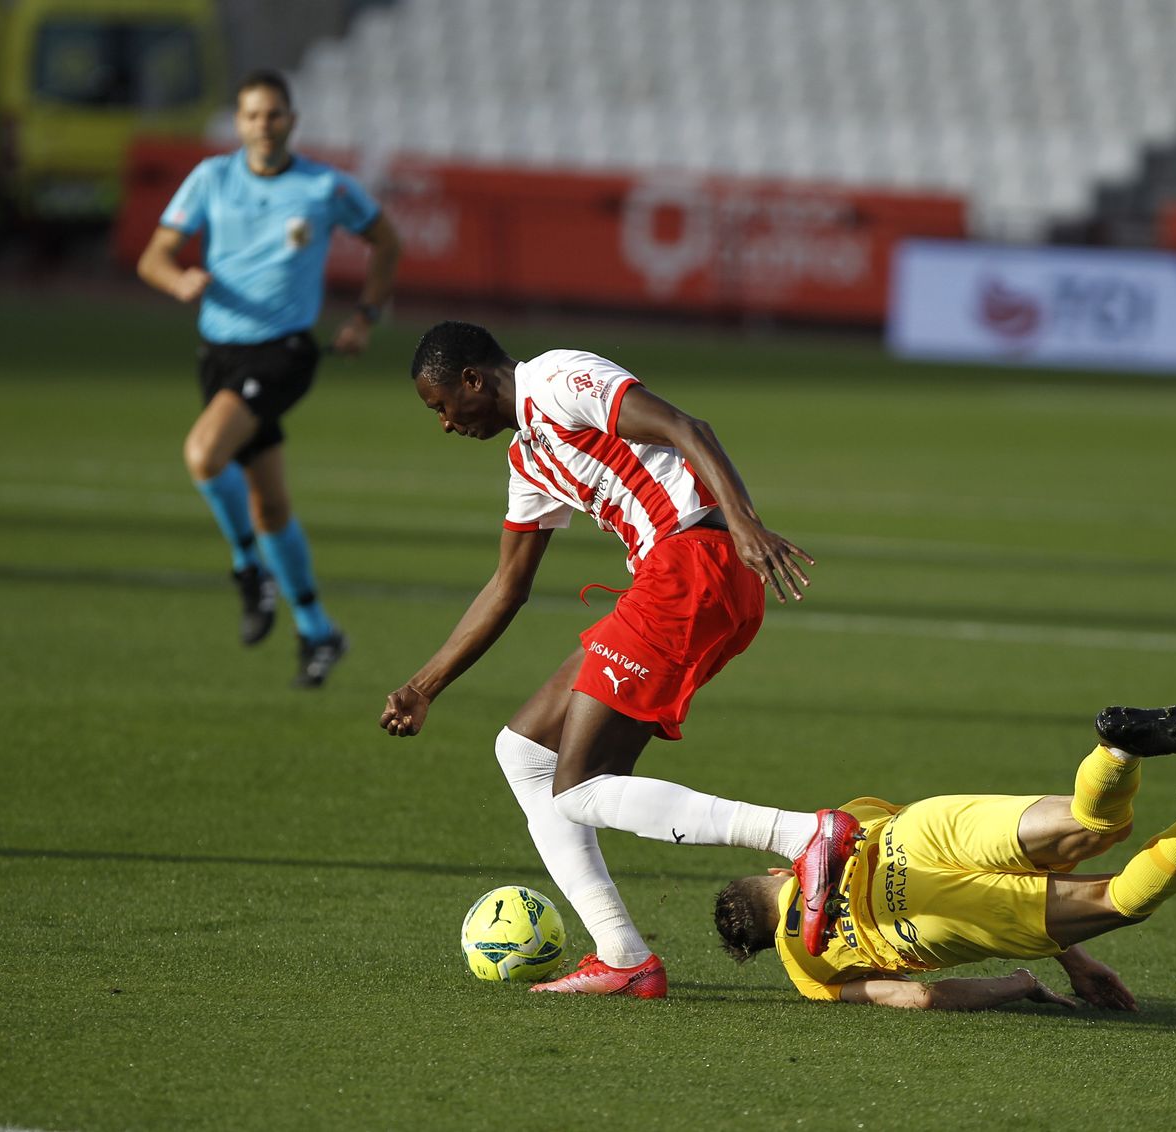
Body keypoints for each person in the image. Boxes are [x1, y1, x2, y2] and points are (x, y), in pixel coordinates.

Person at [380, 321, 862, 998]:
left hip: (694, 564)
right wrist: (424, 685)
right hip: (675, 579)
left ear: (472, 380)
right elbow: (507, 587)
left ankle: (805, 836)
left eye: (440, 406)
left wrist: (744, 520)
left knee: (578, 787)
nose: (444, 423)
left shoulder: (555, 379)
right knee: (523, 752)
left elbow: (687, 427)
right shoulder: (528, 459)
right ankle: (623, 953)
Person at [713, 704, 1176, 1010]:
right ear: (777, 872)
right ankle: (1116, 750)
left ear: (765, 944)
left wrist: (1023, 982)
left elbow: (920, 998)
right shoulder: (831, 828)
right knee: (1094, 824)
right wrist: (1074, 962)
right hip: (917, 833)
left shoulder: (808, 972)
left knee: (1121, 898)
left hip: (923, 918)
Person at [136, 68, 401, 687]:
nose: (263, 125)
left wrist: (364, 318)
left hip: (283, 352)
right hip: (219, 354)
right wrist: (181, 281)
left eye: (274, 114)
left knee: (204, 454)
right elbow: (154, 255)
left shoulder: (323, 187)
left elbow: (386, 242)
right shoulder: (212, 178)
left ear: (292, 120)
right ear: (239, 121)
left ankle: (246, 568)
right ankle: (317, 629)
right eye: (252, 115)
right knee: (270, 502)